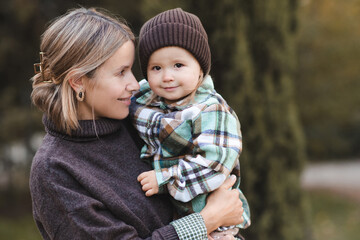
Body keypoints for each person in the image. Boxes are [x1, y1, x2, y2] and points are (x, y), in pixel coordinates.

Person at [29, 7, 245, 240]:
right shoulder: (55, 172)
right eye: (121, 72)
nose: (135, 84)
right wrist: (207, 220)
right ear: (78, 82)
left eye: (131, 69)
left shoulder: (139, 118)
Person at [129, 8, 250, 240]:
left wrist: (164, 178)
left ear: (200, 70)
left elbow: (213, 165)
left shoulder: (212, 110)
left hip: (213, 220)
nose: (167, 76)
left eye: (178, 65)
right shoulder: (144, 99)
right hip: (174, 220)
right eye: (156, 68)